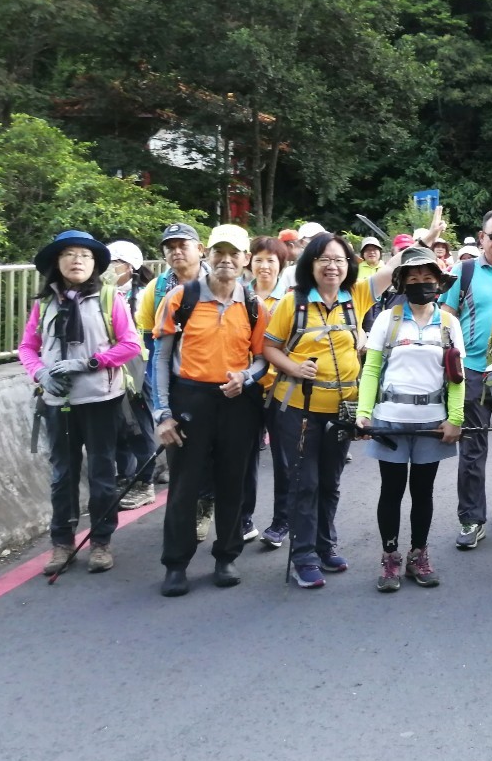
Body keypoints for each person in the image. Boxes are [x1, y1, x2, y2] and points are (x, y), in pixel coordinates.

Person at [152, 225, 269, 596]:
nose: (226, 260)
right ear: (207, 254)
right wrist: (162, 413)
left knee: (232, 481)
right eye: (219, 252)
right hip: (190, 400)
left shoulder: (253, 305)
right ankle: (176, 563)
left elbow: (263, 359)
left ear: (244, 259)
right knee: (184, 486)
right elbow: (160, 359)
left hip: (236, 402)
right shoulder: (179, 298)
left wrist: (246, 378)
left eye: (234, 253)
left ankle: (226, 556)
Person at [18, 231, 141, 576]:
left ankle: (101, 541)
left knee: (102, 474)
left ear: (95, 264)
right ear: (56, 263)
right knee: (62, 475)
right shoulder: (44, 304)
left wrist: (90, 362)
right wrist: (41, 373)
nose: (77, 261)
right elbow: (27, 348)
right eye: (69, 255)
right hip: (58, 402)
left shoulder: (108, 298)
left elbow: (130, 345)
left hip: (101, 400)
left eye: (85, 256)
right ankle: (62, 543)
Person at [262, 231, 377, 589]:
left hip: (343, 407)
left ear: (349, 266)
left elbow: (393, 269)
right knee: (305, 482)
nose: (332, 266)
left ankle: (326, 546)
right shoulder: (292, 303)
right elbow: (269, 347)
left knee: (330, 480)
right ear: (310, 264)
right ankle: (304, 555)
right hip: (299, 407)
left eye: (340, 260)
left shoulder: (354, 297)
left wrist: (428, 238)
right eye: (324, 259)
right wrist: (294, 368)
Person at [357, 246, 466, 592]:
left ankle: (419, 554)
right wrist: (363, 412)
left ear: (438, 283)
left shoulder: (449, 323)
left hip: (432, 423)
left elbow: (456, 377)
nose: (422, 284)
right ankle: (390, 556)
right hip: (389, 419)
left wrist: (456, 419)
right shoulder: (387, 321)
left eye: (428, 278)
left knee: (423, 491)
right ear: (403, 282)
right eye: (414, 278)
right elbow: (372, 370)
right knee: (391, 490)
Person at [439, 209, 492, 549]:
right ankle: (472, 519)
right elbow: (446, 316)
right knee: (472, 448)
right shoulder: (464, 271)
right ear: (482, 238)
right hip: (472, 372)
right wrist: (450, 360)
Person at [136, 222, 210, 514]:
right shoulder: (156, 289)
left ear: (200, 250)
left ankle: (208, 504)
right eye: (170, 247)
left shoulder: (221, 285)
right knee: (181, 449)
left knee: (214, 453)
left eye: (183, 245)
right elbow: (151, 345)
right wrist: (161, 401)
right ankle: (185, 511)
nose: (176, 251)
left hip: (214, 381)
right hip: (176, 382)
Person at [245, 236, 290, 547]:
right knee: (243, 457)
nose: (264, 265)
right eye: (258, 259)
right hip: (245, 389)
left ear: (281, 266)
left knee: (283, 458)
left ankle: (281, 521)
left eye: (271, 260)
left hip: (279, 388)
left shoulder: (289, 301)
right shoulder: (238, 297)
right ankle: (243, 517)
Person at [107, 240, 157, 511]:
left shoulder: (144, 294)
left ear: (129, 267)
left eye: (114, 264)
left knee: (138, 424)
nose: (109, 269)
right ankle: (125, 476)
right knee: (118, 425)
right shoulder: (106, 293)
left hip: (139, 367)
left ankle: (144, 481)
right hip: (113, 367)